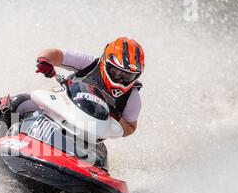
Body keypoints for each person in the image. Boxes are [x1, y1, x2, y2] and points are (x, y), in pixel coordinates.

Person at [16, 36, 145, 138]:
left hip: (88, 135)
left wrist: (114, 115)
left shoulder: (132, 97)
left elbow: (130, 128)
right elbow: (55, 54)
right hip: (57, 110)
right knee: (13, 104)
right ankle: (1, 133)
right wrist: (44, 60)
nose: (121, 79)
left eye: (128, 76)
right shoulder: (90, 63)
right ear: (105, 62)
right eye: (116, 72)